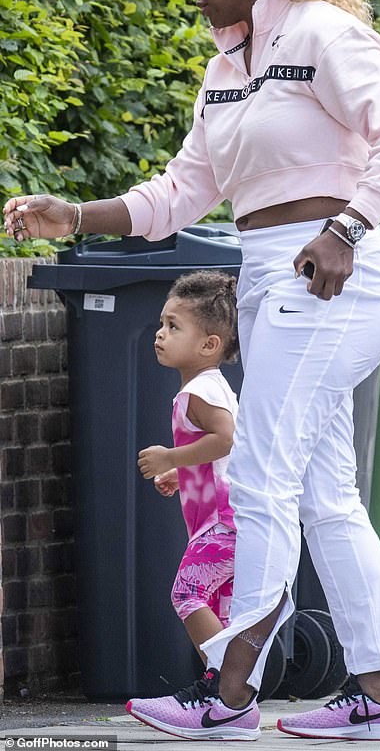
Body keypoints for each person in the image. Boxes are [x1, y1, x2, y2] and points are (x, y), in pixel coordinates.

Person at [4, 0, 380, 742]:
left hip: (333, 274)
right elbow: (179, 194)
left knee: (263, 477)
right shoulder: (226, 68)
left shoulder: (321, 32)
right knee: (324, 493)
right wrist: (78, 216)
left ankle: (229, 696)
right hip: (274, 276)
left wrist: (346, 228)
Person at [139, 270, 239, 664]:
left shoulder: (199, 392)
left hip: (222, 523)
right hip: (224, 520)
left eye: (174, 326)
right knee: (215, 607)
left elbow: (225, 439)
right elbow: (221, 458)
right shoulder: (210, 386)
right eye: (162, 324)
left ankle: (228, 686)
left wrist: (170, 457)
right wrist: (182, 477)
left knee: (188, 594)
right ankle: (225, 694)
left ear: (209, 344)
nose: (160, 333)